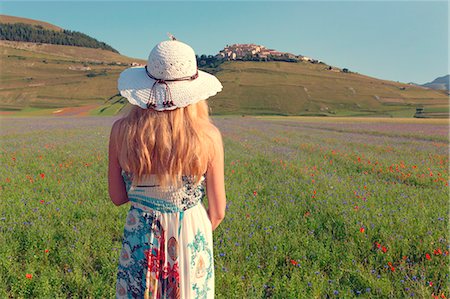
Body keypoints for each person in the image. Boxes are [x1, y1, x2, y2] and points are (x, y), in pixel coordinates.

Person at [108, 37, 226, 299]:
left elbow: (118, 197)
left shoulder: (121, 132)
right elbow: (217, 212)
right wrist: (189, 232)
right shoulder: (208, 136)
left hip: (140, 235)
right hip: (189, 234)